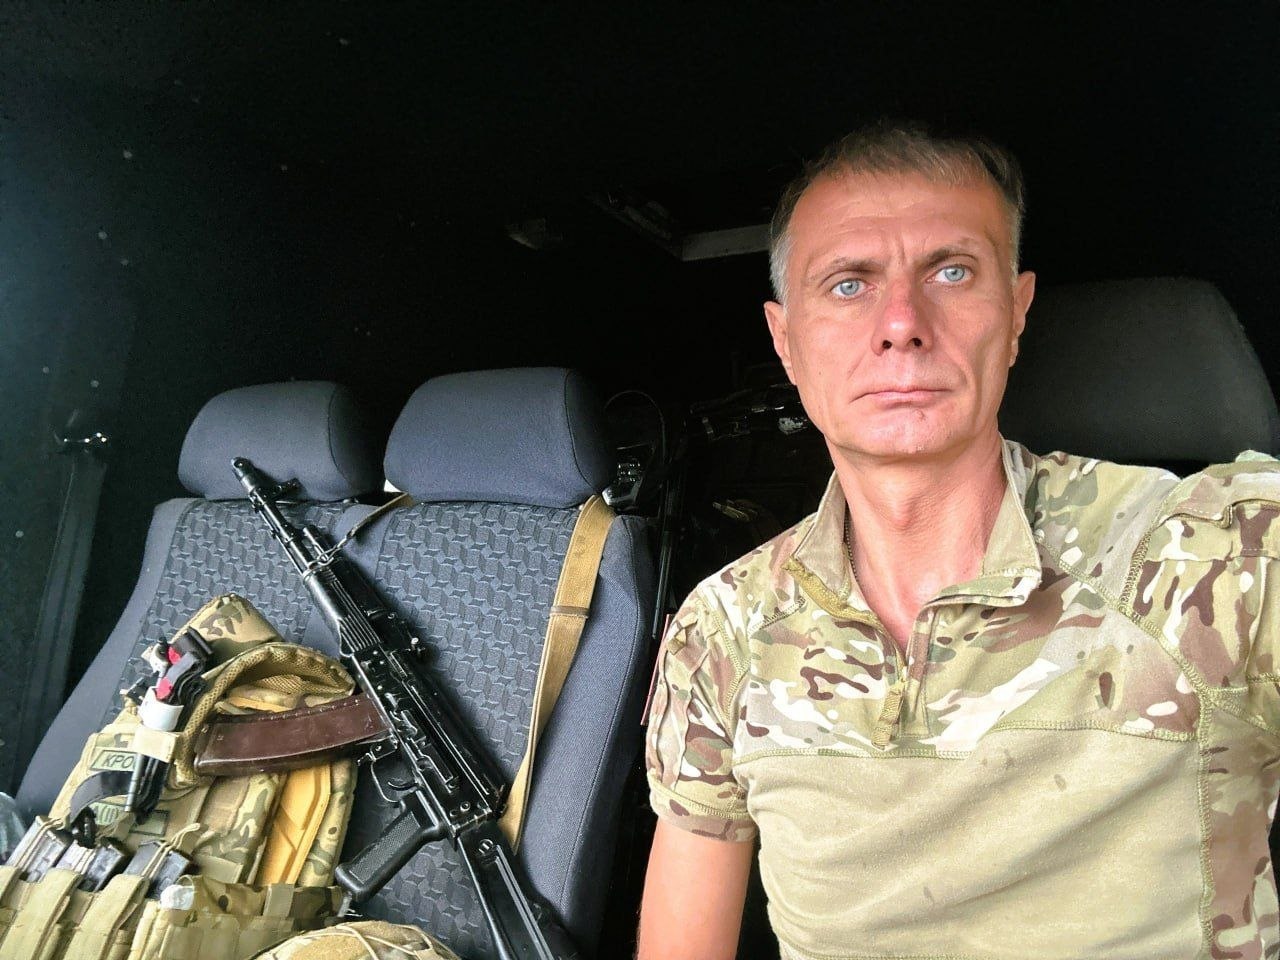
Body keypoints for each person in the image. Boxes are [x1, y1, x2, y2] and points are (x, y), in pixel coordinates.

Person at [636, 123, 1280, 960]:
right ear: (785, 342)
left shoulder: (1213, 552)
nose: (902, 323)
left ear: (1015, 314)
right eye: (848, 284)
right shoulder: (722, 628)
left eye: (952, 272)